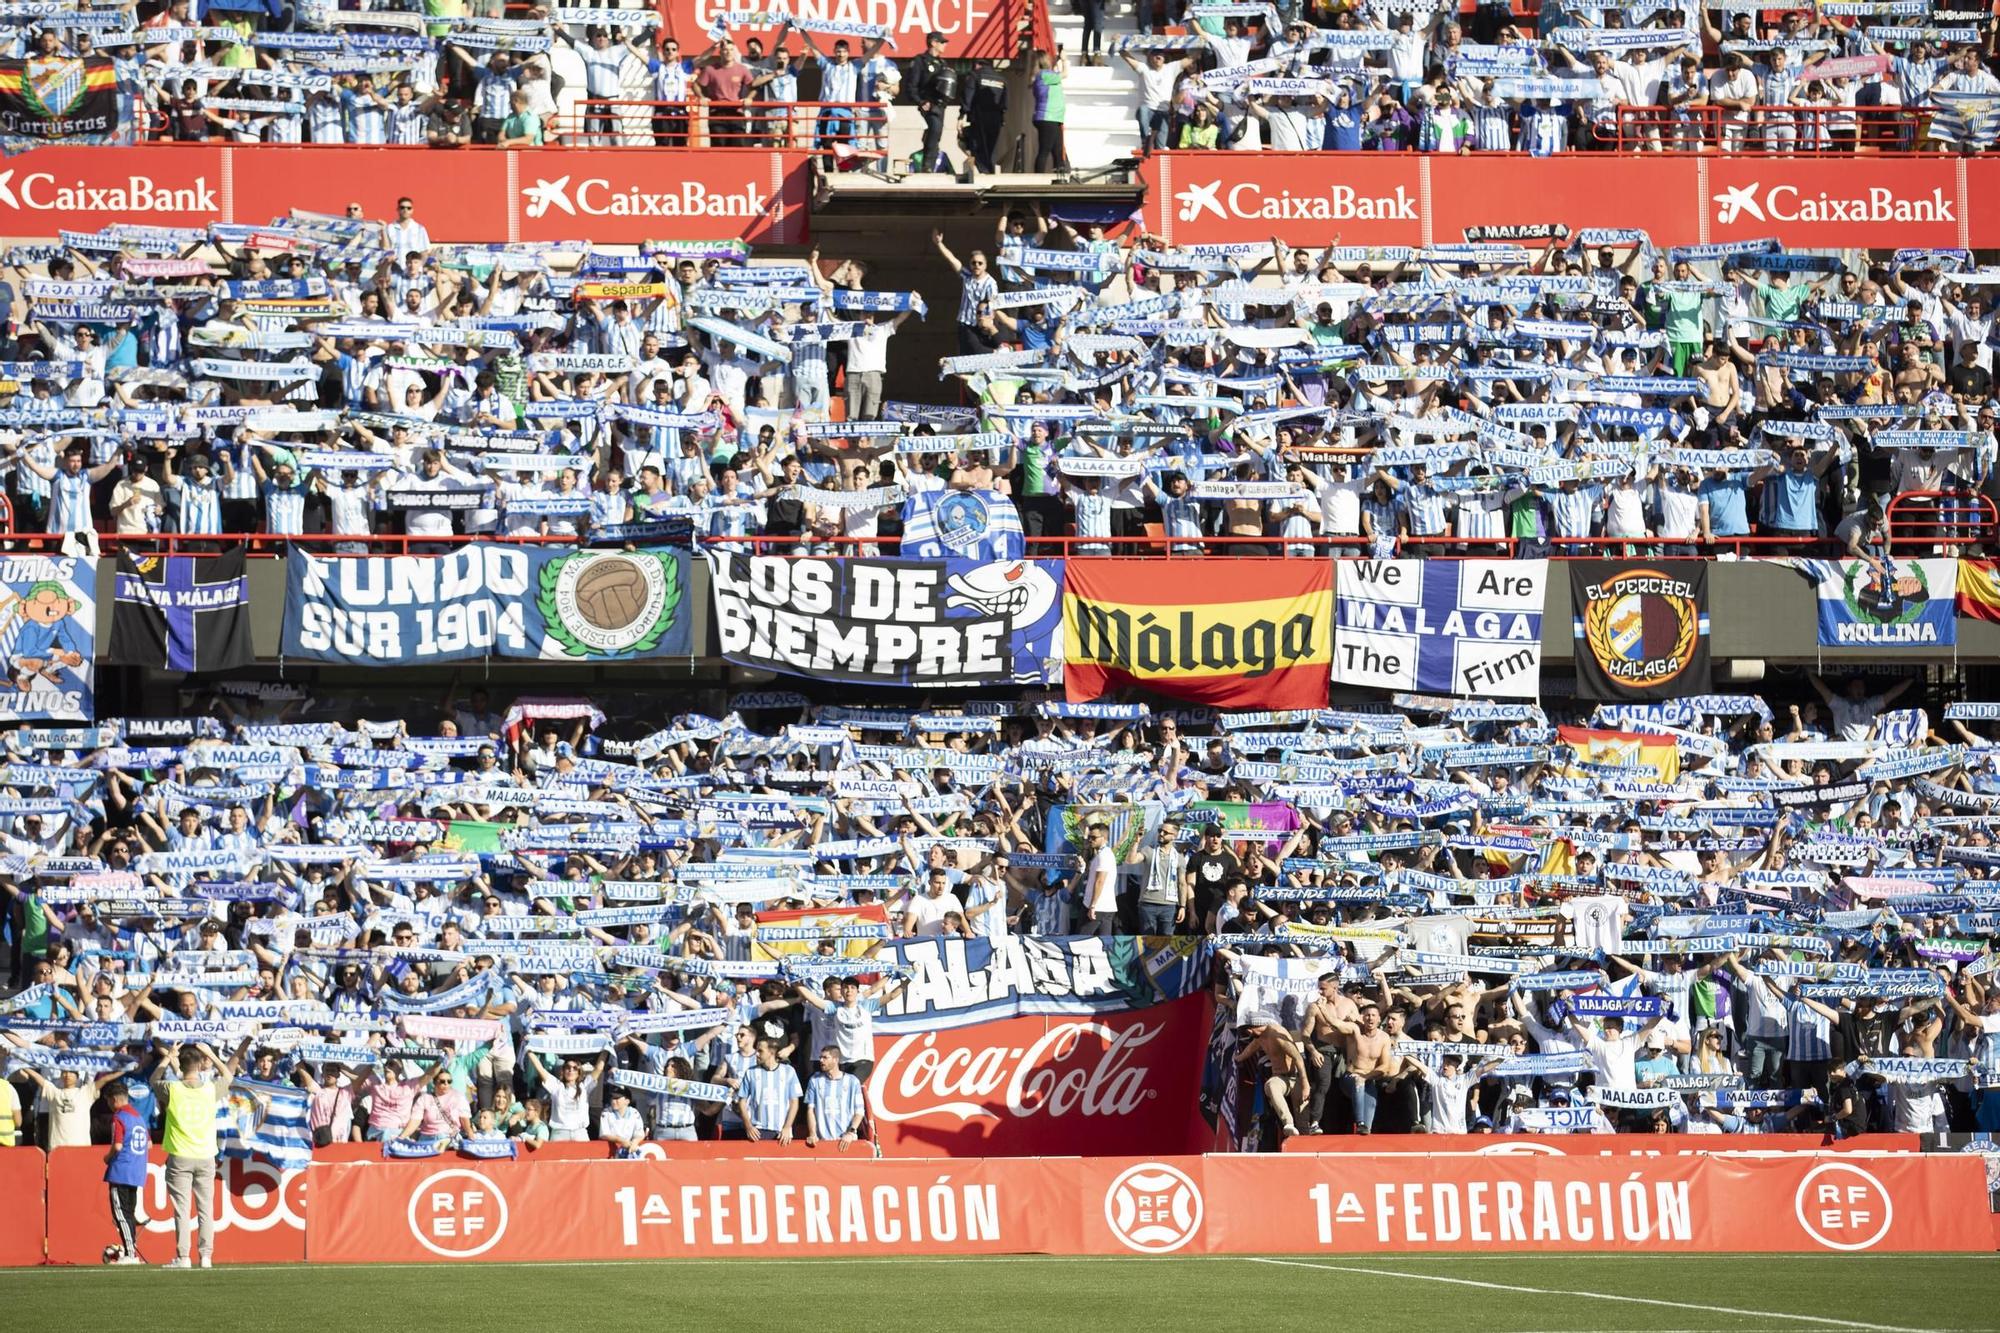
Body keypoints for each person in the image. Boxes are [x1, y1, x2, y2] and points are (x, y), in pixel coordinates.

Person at [150, 1038, 250, 1270]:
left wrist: (168, 1056)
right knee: (206, 1209)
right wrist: (212, 1056)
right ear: (200, 1065)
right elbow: (229, 1078)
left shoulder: (172, 1088)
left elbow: (153, 1079)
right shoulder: (208, 1089)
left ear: (181, 1067)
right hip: (205, 1156)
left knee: (182, 1209)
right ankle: (206, 1257)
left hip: (180, 1156)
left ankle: (184, 1257)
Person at [103, 1080, 150, 1265]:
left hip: (121, 1170)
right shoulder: (139, 1117)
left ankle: (130, 1254)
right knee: (128, 1213)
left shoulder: (119, 1117)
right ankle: (130, 1251)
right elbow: (149, 1143)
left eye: (108, 1101)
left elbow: (118, 1145)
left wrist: (107, 1158)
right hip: (137, 1171)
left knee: (121, 1214)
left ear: (114, 1100)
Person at [804, 1045, 864, 1147]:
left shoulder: (852, 1081)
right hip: (823, 1142)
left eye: (825, 1057)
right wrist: (812, 1133)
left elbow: (859, 1112)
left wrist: (851, 1132)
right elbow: (810, 1110)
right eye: (820, 1057)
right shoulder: (815, 1080)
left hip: (846, 1142)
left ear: (835, 1060)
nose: (821, 1061)